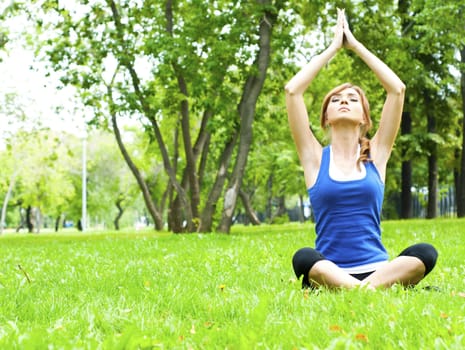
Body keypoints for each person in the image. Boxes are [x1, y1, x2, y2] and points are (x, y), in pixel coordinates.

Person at [285, 9, 437, 290]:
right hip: (331, 270)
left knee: (425, 253)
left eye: (352, 99)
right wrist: (333, 48)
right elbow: (293, 91)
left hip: (378, 270)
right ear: (326, 118)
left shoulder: (377, 154)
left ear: (365, 118)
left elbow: (397, 90)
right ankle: (367, 291)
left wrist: (354, 45)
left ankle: (361, 290)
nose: (344, 101)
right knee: (304, 258)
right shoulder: (315, 158)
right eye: (336, 100)